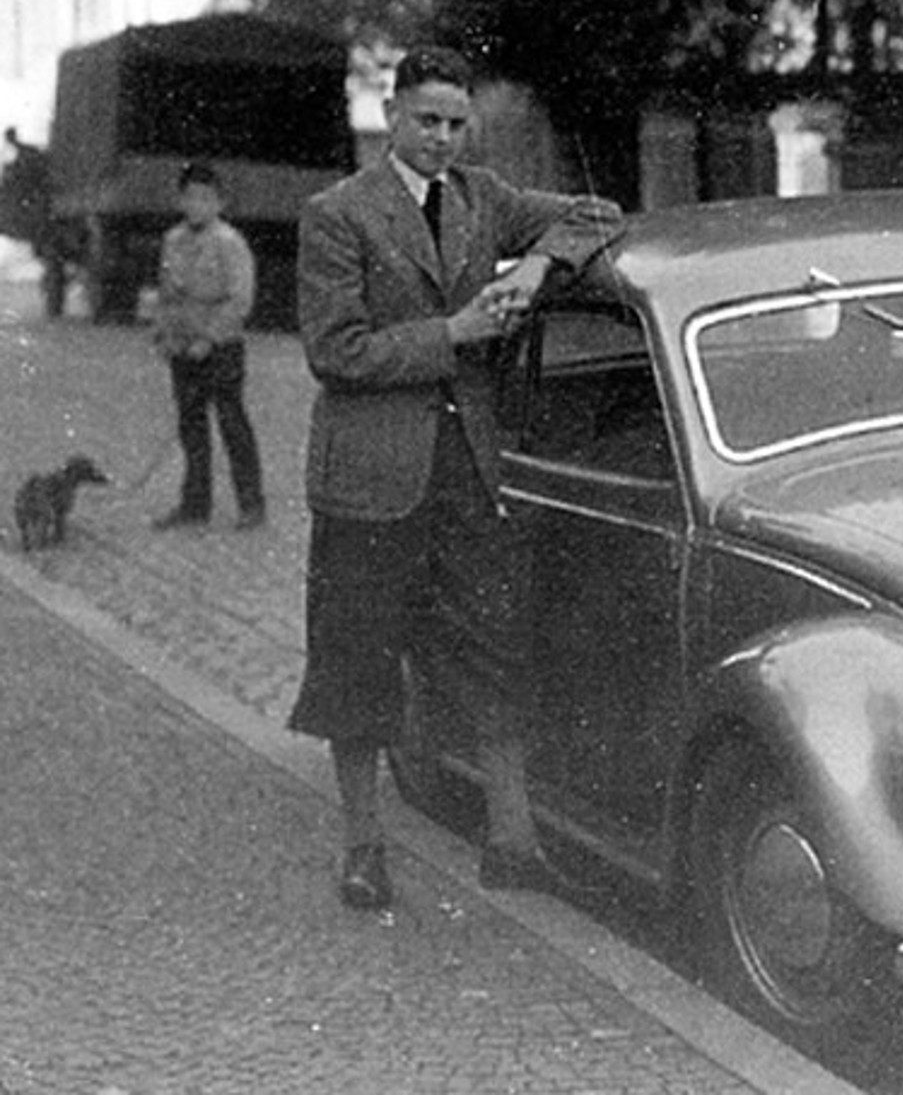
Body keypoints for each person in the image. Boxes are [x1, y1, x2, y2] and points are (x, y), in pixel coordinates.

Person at [286, 45, 622, 911]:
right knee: (359, 658)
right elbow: (336, 350)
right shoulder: (338, 213)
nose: (441, 138)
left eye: (455, 124)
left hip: (466, 464)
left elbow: (597, 212)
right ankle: (364, 845)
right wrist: (457, 332)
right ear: (391, 116)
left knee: (491, 642)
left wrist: (539, 266)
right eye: (426, 120)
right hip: (370, 476)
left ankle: (513, 841)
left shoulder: (483, 198)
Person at [151, 161, 266, 531]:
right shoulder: (173, 241)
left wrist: (209, 338)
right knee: (191, 428)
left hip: (221, 349)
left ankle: (251, 505)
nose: (197, 205)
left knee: (232, 424)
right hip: (183, 349)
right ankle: (194, 505)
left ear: (219, 203)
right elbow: (167, 295)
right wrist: (164, 335)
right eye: (191, 198)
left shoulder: (230, 243)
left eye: (206, 198)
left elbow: (241, 299)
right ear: (180, 201)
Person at [1, 126, 68, 316]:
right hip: (46, 214)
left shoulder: (24, 158)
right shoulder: (30, 154)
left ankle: (53, 302)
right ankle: (53, 300)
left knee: (52, 260)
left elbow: (17, 188)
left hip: (45, 217)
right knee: (52, 261)